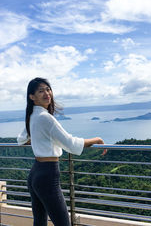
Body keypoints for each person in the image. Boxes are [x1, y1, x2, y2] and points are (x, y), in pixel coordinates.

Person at [17, 77, 106, 226]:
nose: (47, 93)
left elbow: (21, 139)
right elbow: (70, 143)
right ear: (32, 97)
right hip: (47, 176)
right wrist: (96, 139)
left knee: (39, 221)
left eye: (48, 89)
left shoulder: (33, 115)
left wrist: (41, 139)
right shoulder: (46, 118)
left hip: (35, 173)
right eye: (41, 91)